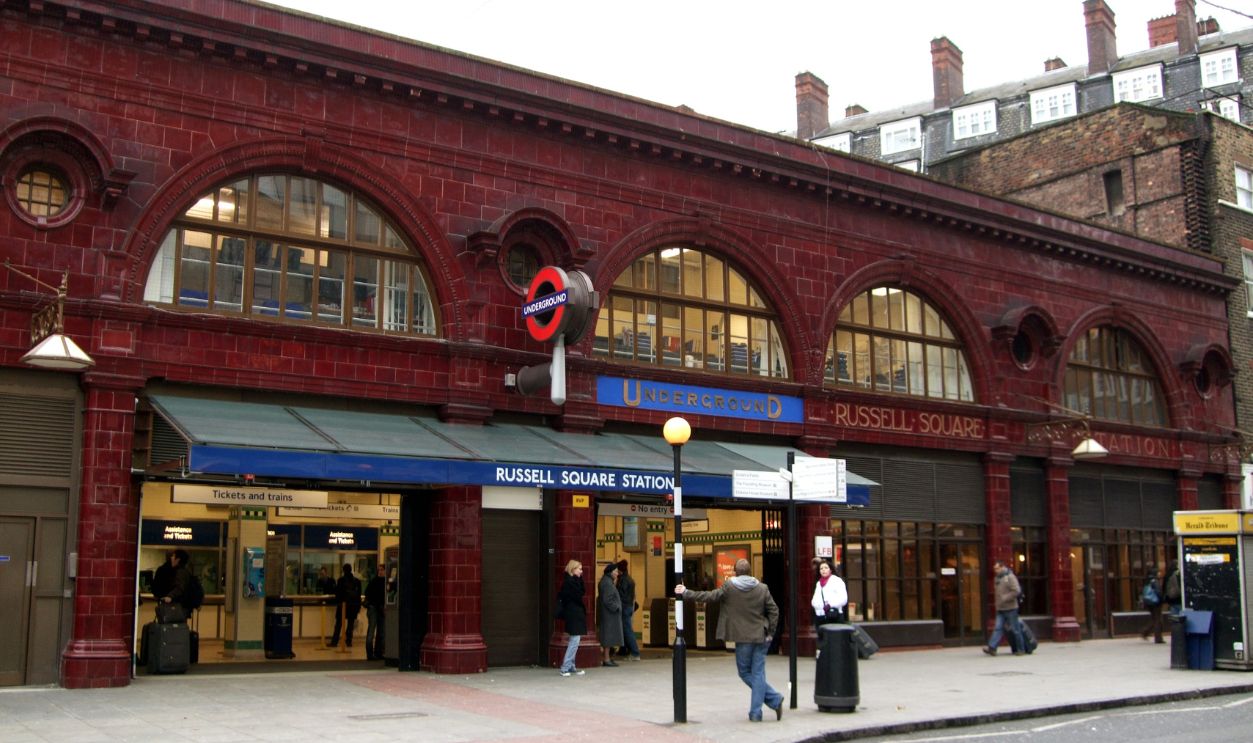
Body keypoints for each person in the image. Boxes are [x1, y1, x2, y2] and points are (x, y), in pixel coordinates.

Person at [675, 558, 784, 722]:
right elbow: (774, 610)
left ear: (735, 571)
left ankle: (773, 700)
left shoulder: (730, 587)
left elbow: (709, 596)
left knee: (745, 673)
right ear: (750, 571)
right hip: (761, 635)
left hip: (742, 637)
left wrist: (686, 592)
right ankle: (759, 711)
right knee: (758, 673)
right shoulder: (762, 588)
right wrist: (770, 631)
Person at [983, 560, 1024, 656]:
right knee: (998, 628)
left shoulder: (1010, 577)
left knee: (1015, 629)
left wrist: (1005, 598)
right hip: (1000, 609)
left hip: (1011, 608)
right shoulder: (997, 578)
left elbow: (1017, 590)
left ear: (1002, 567)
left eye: (997, 568)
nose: (995, 570)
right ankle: (992, 648)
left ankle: (1020, 649)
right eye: (994, 568)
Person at [555, 560, 587, 676]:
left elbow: (582, 591)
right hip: (573, 614)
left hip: (575, 613)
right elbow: (578, 595)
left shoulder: (574, 581)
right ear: (573, 569)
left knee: (575, 640)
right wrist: (579, 580)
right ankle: (565, 667)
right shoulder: (569, 582)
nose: (581, 571)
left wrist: (579, 578)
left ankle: (571, 666)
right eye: (579, 569)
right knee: (574, 641)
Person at [330, 563, 362, 649]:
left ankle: (334, 642)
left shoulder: (341, 580)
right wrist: (358, 607)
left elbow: (338, 593)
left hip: (342, 605)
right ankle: (349, 641)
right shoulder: (357, 581)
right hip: (353, 606)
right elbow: (359, 595)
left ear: (343, 570)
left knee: (338, 624)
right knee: (350, 625)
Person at [159, 548, 196, 622]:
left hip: (179, 607)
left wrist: (170, 596)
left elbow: (180, 587)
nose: (171, 558)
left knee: (176, 628)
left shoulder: (180, 572)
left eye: (173, 556)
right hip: (184, 606)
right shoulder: (186, 571)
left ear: (178, 560)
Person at [597, 563, 623, 666]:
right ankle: (606, 659)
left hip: (608, 614)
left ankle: (607, 658)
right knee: (608, 637)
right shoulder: (607, 583)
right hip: (609, 615)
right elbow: (607, 600)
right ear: (610, 572)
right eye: (616, 571)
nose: (617, 573)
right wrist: (616, 607)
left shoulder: (606, 581)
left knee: (608, 637)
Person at [615, 559, 641, 661]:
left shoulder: (623, 580)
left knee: (627, 630)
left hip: (625, 607)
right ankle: (627, 650)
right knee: (627, 630)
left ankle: (635, 653)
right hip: (629, 607)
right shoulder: (629, 579)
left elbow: (622, 596)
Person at [811, 558, 848, 627]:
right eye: (821, 568)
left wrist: (830, 605)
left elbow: (843, 599)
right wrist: (820, 607)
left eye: (826, 568)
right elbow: (814, 600)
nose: (823, 570)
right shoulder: (818, 583)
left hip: (834, 615)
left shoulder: (837, 581)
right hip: (820, 616)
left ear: (830, 570)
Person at [364, 563, 387, 660]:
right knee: (372, 631)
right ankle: (371, 653)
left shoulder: (381, 582)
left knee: (381, 632)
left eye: (382, 570)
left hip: (379, 608)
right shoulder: (376, 582)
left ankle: (378, 652)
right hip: (374, 608)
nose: (380, 571)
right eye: (379, 570)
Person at [1139, 566, 1165, 643]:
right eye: (1158, 572)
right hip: (1156, 602)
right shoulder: (1155, 581)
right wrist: (1162, 599)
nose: (1159, 573)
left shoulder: (1148, 580)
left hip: (1149, 602)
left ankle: (1145, 632)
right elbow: (1158, 591)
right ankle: (1158, 638)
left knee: (1154, 619)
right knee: (1158, 620)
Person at [150, 550, 176, 618]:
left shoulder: (161, 569)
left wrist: (157, 595)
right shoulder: (177, 571)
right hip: (175, 601)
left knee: (163, 618)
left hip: (162, 599)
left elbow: (155, 585)